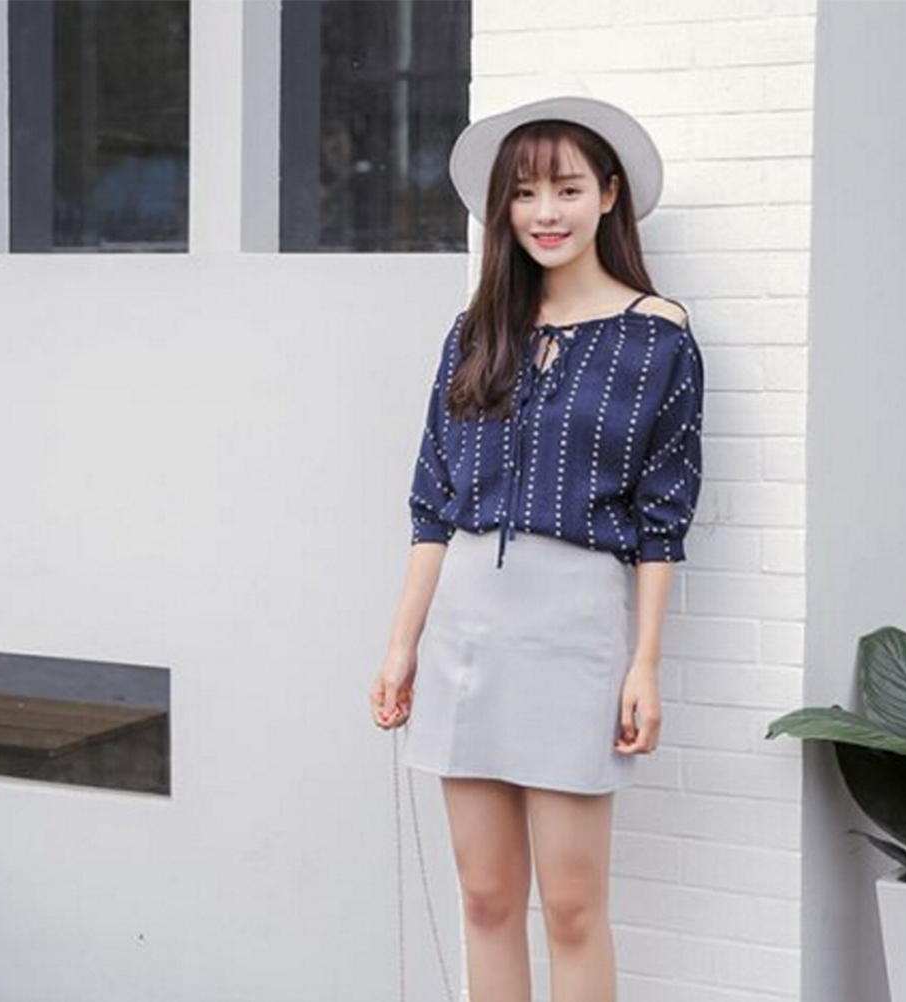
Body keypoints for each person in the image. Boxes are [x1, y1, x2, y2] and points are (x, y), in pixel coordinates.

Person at [369, 93, 704, 1002]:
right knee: (484, 898)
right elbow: (432, 506)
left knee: (571, 908)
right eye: (523, 194)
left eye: (566, 189)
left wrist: (645, 665)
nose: (544, 213)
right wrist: (402, 647)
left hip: (575, 632)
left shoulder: (657, 337)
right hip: (466, 630)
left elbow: (661, 519)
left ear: (609, 194)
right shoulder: (476, 332)